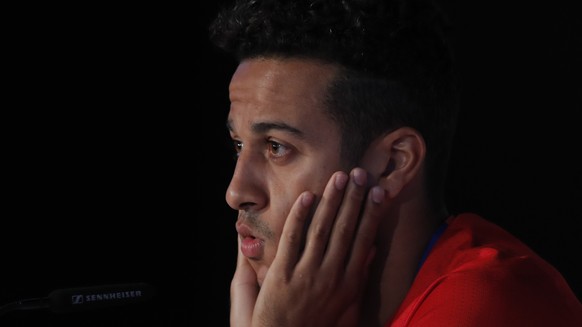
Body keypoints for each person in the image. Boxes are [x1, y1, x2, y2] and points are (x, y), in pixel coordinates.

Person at [208, 0, 582, 326]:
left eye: (276, 147)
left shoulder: (487, 300)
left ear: (392, 164)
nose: (236, 192)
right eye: (239, 145)